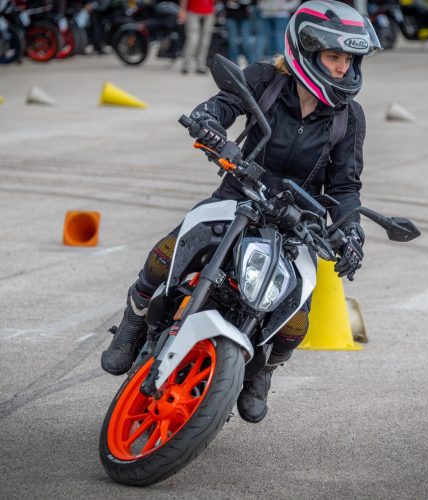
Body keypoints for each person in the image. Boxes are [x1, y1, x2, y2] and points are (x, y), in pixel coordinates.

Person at [101, 0, 381, 423]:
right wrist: (209, 123)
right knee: (173, 249)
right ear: (306, 52)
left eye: (349, 60)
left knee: (295, 317)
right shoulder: (265, 80)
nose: (343, 68)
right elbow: (222, 105)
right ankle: (135, 316)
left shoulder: (350, 118)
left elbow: (344, 186)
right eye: (334, 57)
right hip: (240, 194)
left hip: (296, 224)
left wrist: (351, 230)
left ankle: (264, 369)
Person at [178, 0, 216, 74]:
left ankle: (200, 65)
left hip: (209, 12)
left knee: (205, 41)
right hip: (193, 11)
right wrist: (182, 10)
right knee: (193, 40)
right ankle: (186, 64)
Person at [223, 0, 256, 65]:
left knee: (245, 41)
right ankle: (233, 62)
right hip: (231, 14)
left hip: (244, 15)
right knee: (233, 41)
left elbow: (253, 2)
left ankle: (251, 62)